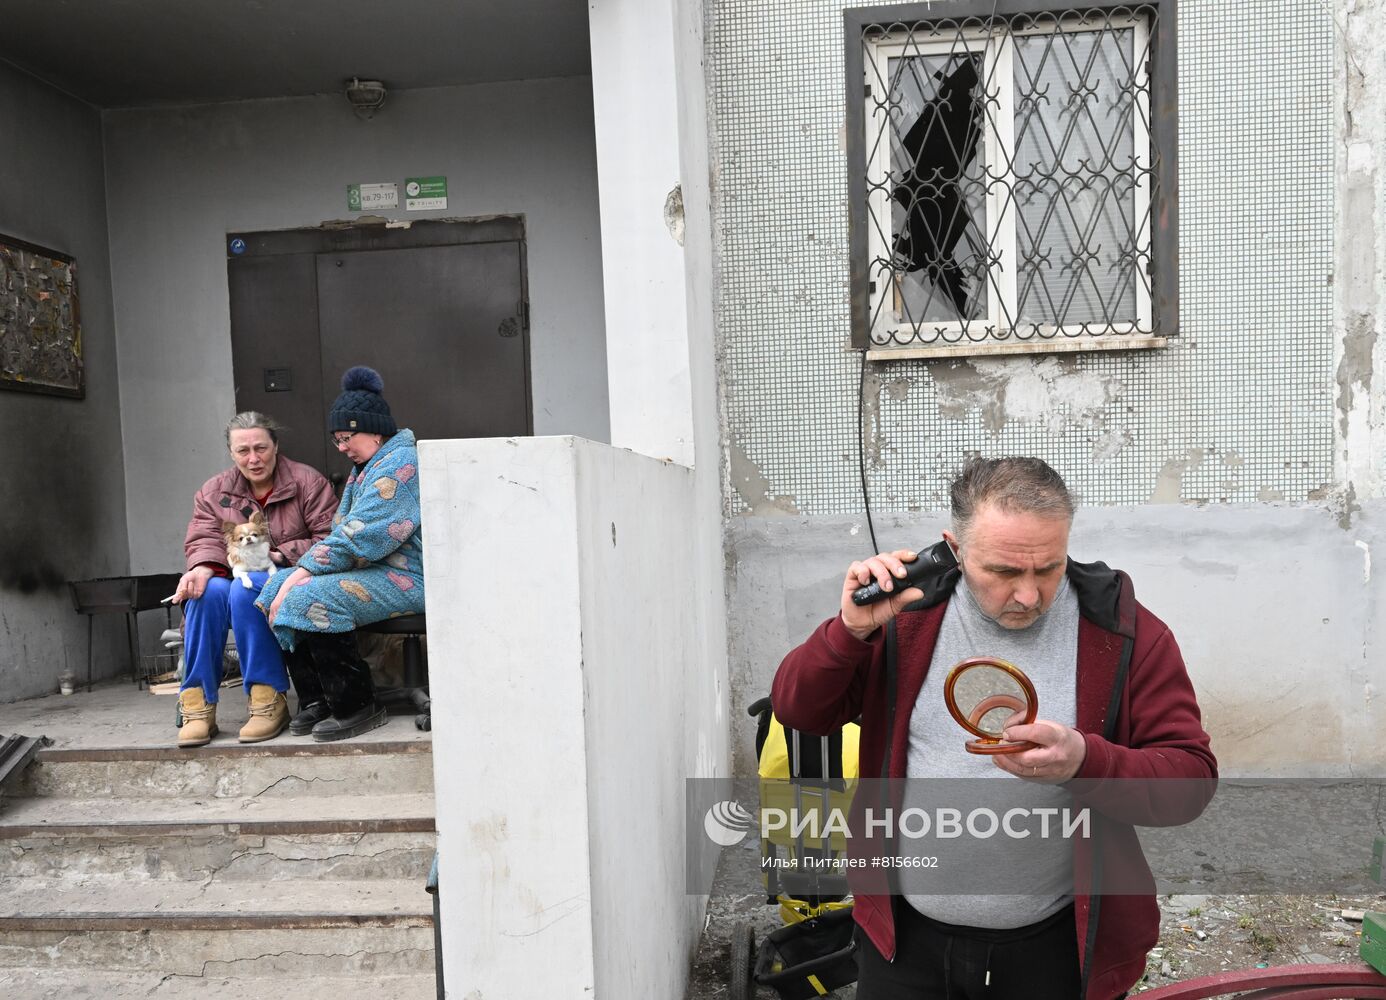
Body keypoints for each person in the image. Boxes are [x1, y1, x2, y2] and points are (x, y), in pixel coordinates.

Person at [771, 457, 1217, 1000]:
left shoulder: (1122, 630)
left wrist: (1085, 762)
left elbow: (1190, 781)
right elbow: (799, 711)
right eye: (1004, 572)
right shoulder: (905, 614)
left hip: (1057, 949)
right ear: (954, 550)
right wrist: (848, 633)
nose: (1028, 595)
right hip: (903, 940)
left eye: (1048, 568)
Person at [257, 366, 425, 743]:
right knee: (274, 587)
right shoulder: (367, 466)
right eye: (336, 440)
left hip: (413, 576)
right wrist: (297, 574)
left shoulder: (400, 467)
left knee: (309, 593)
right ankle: (319, 698)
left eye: (347, 437)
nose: (341, 447)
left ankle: (355, 703)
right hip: (378, 573)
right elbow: (343, 536)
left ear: (375, 429)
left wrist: (304, 572)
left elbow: (360, 537)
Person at [172, 412, 338, 748]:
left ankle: (267, 699)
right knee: (205, 593)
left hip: (290, 576)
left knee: (243, 591)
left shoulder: (308, 481)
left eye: (261, 448)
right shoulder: (213, 491)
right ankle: (198, 704)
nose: (253, 458)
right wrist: (202, 566)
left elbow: (330, 538)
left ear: (276, 446)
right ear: (231, 453)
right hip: (234, 571)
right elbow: (205, 537)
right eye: (243, 450)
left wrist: (280, 554)